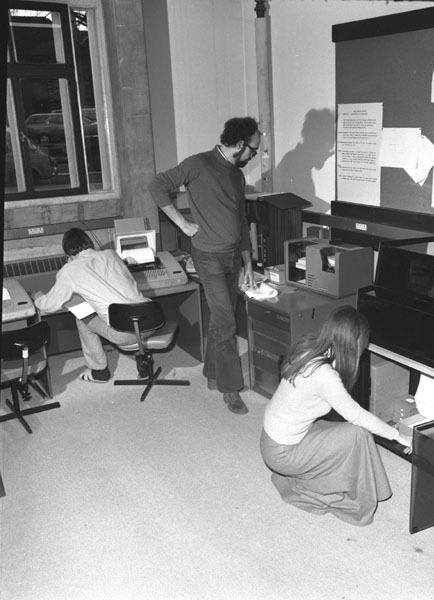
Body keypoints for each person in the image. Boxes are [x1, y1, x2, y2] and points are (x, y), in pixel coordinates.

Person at [260, 305, 412, 526]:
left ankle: (369, 487)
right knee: (357, 434)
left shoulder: (309, 349)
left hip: (273, 440)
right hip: (282, 453)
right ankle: (360, 497)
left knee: (346, 435)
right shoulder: (325, 375)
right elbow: (357, 415)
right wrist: (397, 435)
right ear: (355, 343)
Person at [148, 116, 260, 415]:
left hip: (234, 256)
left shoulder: (237, 176)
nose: (253, 156)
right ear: (239, 144)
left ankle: (213, 374)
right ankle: (230, 388)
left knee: (222, 318)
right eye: (253, 149)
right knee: (226, 321)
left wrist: (248, 258)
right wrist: (182, 223)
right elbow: (157, 185)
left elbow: (240, 218)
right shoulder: (197, 164)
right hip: (208, 257)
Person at [33, 228, 152, 383]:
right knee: (128, 310)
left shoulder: (69, 270)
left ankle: (99, 371)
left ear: (67, 253)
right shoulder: (111, 254)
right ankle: (142, 362)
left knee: (82, 318)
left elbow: (48, 306)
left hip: (126, 333)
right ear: (89, 242)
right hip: (151, 321)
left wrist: (37, 297)